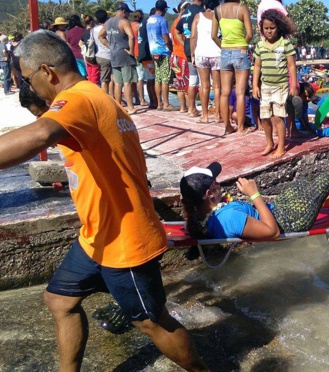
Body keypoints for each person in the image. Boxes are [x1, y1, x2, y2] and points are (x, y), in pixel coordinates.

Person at [9, 30, 207, 371]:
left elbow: (40, 134)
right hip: (96, 236)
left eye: (28, 79)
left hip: (124, 238)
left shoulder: (78, 100)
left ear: (47, 72)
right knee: (59, 300)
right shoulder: (97, 97)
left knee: (152, 322)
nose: (30, 87)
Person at [180, 162, 329, 241]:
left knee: (304, 182)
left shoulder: (203, 216)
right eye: (216, 183)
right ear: (209, 193)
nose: (220, 184)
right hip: (287, 221)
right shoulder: (228, 217)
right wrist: (254, 195)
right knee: (327, 179)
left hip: (278, 211)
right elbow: (272, 232)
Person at [252, 9, 297, 158]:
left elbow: (291, 66)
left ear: (279, 28)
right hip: (265, 86)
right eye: (266, 28)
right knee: (265, 117)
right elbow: (257, 66)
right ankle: (269, 143)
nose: (269, 31)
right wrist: (254, 85)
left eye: (272, 28)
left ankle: (281, 147)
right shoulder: (260, 45)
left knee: (278, 117)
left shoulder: (285, 44)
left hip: (281, 86)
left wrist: (294, 85)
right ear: (262, 29)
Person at [212, 0, 253, 135]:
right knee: (240, 92)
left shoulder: (217, 10)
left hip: (224, 51)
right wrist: (242, 45)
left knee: (225, 92)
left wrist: (224, 47)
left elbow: (213, 36)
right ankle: (241, 128)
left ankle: (228, 127)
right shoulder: (242, 9)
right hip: (240, 51)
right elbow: (250, 34)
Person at [99, 2, 139, 115]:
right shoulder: (124, 21)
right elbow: (131, 36)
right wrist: (131, 50)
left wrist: (110, 46)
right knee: (127, 82)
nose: (128, 15)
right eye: (127, 13)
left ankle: (118, 106)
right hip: (124, 54)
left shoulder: (108, 22)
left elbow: (101, 36)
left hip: (114, 55)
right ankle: (130, 107)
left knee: (118, 82)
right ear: (123, 11)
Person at [174, 0, 205, 117]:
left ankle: (191, 109)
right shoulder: (200, 12)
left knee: (192, 80)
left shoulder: (185, 12)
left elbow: (177, 32)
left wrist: (184, 44)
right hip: (198, 48)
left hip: (187, 49)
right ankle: (204, 111)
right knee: (203, 82)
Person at [147, 0, 177, 111]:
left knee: (157, 78)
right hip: (163, 52)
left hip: (153, 51)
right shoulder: (162, 20)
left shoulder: (149, 20)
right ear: (164, 9)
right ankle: (166, 104)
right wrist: (171, 49)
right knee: (165, 79)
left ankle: (159, 103)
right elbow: (166, 38)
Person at [137, 8, 159, 109]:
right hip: (148, 54)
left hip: (143, 54)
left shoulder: (143, 22)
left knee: (149, 78)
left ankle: (152, 101)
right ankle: (155, 101)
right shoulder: (149, 22)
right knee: (152, 79)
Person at [170, 2, 190, 113]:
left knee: (180, 84)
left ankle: (183, 107)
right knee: (186, 83)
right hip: (182, 55)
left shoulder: (174, 22)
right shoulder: (182, 22)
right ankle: (191, 107)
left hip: (175, 55)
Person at [92, 9, 114, 97]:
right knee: (106, 80)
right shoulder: (106, 28)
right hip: (107, 55)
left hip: (99, 55)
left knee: (106, 78)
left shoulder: (94, 29)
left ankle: (111, 96)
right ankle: (105, 97)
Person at [131, 9, 149, 106]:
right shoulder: (140, 26)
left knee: (134, 77)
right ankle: (142, 99)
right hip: (139, 53)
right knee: (141, 77)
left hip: (131, 53)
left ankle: (137, 98)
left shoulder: (129, 25)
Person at [80, 14, 100, 85]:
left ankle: (90, 87)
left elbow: (80, 43)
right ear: (91, 22)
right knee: (95, 74)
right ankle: (94, 90)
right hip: (94, 55)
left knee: (90, 73)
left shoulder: (84, 32)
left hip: (87, 55)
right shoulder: (93, 31)